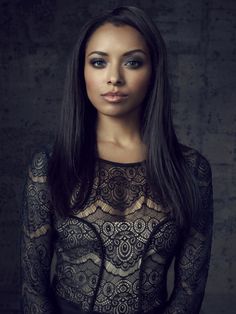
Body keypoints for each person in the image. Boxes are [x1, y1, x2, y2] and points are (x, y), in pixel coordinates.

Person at [21, 6, 214, 314]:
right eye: (99, 62)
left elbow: (190, 288)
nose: (114, 78)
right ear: (81, 70)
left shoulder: (191, 170)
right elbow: (33, 287)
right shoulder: (50, 164)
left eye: (133, 62)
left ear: (153, 72)